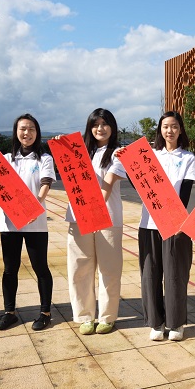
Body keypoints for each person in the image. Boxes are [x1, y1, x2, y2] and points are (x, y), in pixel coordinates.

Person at [65, 108, 128, 335]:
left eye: (104, 124)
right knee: (80, 267)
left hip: (107, 218)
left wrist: (91, 211)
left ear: (112, 126)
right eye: (95, 124)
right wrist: (60, 147)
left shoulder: (118, 154)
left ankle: (107, 316)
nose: (100, 128)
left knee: (109, 269)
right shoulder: (79, 153)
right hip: (78, 217)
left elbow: (107, 185)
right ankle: (84, 316)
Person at [0, 114, 57, 331]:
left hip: (35, 222)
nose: (26, 133)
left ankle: (45, 312)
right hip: (9, 223)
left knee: (40, 267)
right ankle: (9, 312)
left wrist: (34, 206)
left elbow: (46, 183)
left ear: (37, 132)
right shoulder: (6, 158)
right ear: (16, 132)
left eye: (31, 129)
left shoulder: (44, 158)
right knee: (10, 269)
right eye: (22, 129)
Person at [137, 111, 195, 342]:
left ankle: (176, 323)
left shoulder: (188, 158)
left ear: (180, 129)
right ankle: (156, 322)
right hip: (149, 224)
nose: (169, 131)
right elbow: (139, 184)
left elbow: (185, 193)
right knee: (150, 274)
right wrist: (127, 160)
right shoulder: (150, 156)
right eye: (165, 126)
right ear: (159, 130)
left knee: (175, 275)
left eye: (174, 126)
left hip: (176, 225)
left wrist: (171, 217)